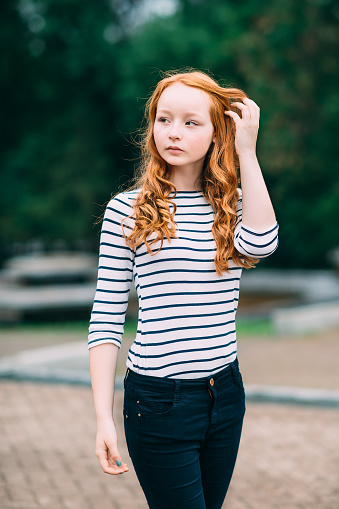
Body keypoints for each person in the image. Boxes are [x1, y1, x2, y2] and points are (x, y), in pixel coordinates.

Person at [88, 69, 279, 509]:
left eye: (192, 122)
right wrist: (102, 417)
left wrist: (246, 151)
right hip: (158, 402)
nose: (173, 132)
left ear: (218, 133)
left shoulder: (233, 204)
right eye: (164, 119)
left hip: (225, 395)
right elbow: (106, 315)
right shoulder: (128, 209)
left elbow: (263, 243)